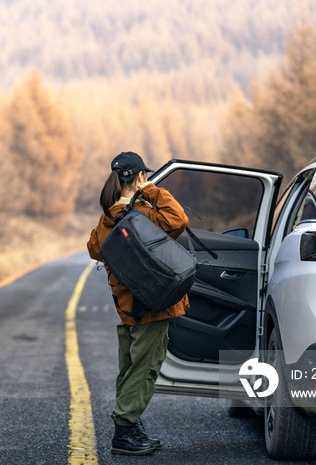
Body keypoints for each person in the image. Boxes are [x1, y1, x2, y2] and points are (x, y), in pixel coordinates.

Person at [86, 151, 189, 456]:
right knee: (145, 368)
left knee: (130, 369)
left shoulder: (108, 219)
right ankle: (125, 430)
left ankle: (130, 425)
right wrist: (151, 190)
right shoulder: (145, 215)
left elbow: (94, 247)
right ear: (139, 177)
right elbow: (178, 219)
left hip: (128, 308)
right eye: (145, 176)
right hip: (153, 305)